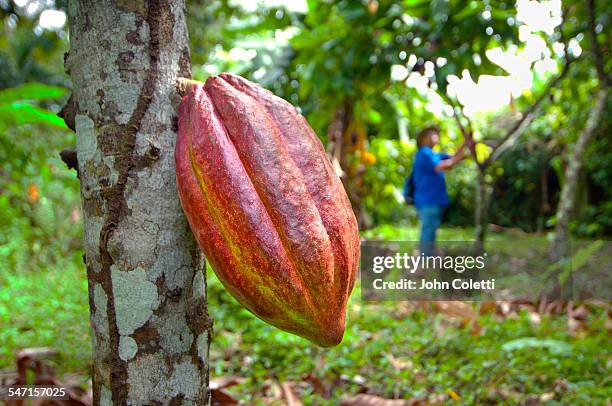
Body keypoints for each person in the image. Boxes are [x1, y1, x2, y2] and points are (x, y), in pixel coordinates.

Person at [412, 126, 470, 256]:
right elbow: (444, 165)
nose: (436, 136)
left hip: (433, 199)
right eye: (432, 134)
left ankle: (428, 256)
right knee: (428, 230)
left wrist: (466, 142)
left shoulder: (433, 154)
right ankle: (425, 259)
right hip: (428, 199)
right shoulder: (424, 153)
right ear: (423, 138)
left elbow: (452, 157)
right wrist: (460, 158)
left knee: (431, 229)